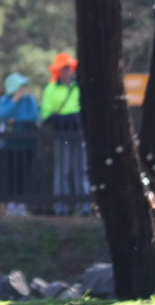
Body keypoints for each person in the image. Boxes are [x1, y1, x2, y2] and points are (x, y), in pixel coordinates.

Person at [40, 53, 89, 216]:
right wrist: (65, 118)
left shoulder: (78, 86)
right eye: (63, 69)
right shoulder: (51, 89)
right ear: (58, 71)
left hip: (79, 134)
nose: (66, 71)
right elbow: (46, 114)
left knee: (80, 170)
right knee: (62, 170)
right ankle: (62, 207)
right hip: (61, 134)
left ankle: (85, 207)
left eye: (68, 68)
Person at [0, 72, 40, 216]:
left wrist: (16, 120)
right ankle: (11, 206)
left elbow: (33, 116)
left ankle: (21, 206)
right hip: (8, 146)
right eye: (19, 86)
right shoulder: (4, 100)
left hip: (25, 145)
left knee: (23, 175)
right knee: (10, 175)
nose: (23, 89)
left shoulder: (29, 100)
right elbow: (3, 115)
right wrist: (14, 100)